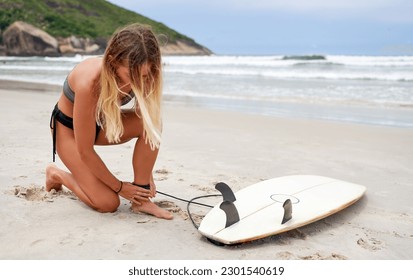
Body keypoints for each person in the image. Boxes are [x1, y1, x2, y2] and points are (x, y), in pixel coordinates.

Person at [46, 23, 173, 220]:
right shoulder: (90, 82)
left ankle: (141, 203)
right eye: (130, 76)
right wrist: (120, 187)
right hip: (69, 131)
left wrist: (145, 182)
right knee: (107, 203)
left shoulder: (146, 72)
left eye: (144, 75)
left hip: (101, 124)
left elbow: (146, 120)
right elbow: (85, 150)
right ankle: (57, 174)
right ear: (113, 61)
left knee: (151, 123)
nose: (138, 83)